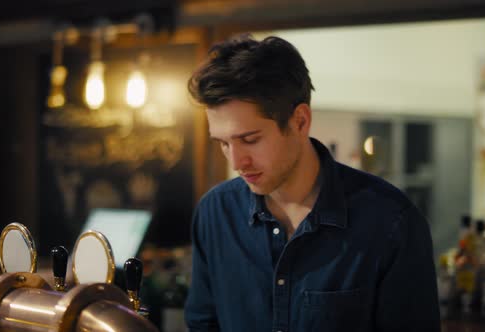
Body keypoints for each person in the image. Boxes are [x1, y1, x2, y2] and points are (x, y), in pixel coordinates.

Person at [184, 34, 440, 332]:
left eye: (250, 140)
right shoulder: (215, 213)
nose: (236, 162)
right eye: (223, 143)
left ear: (300, 121)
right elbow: (203, 325)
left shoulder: (391, 223)